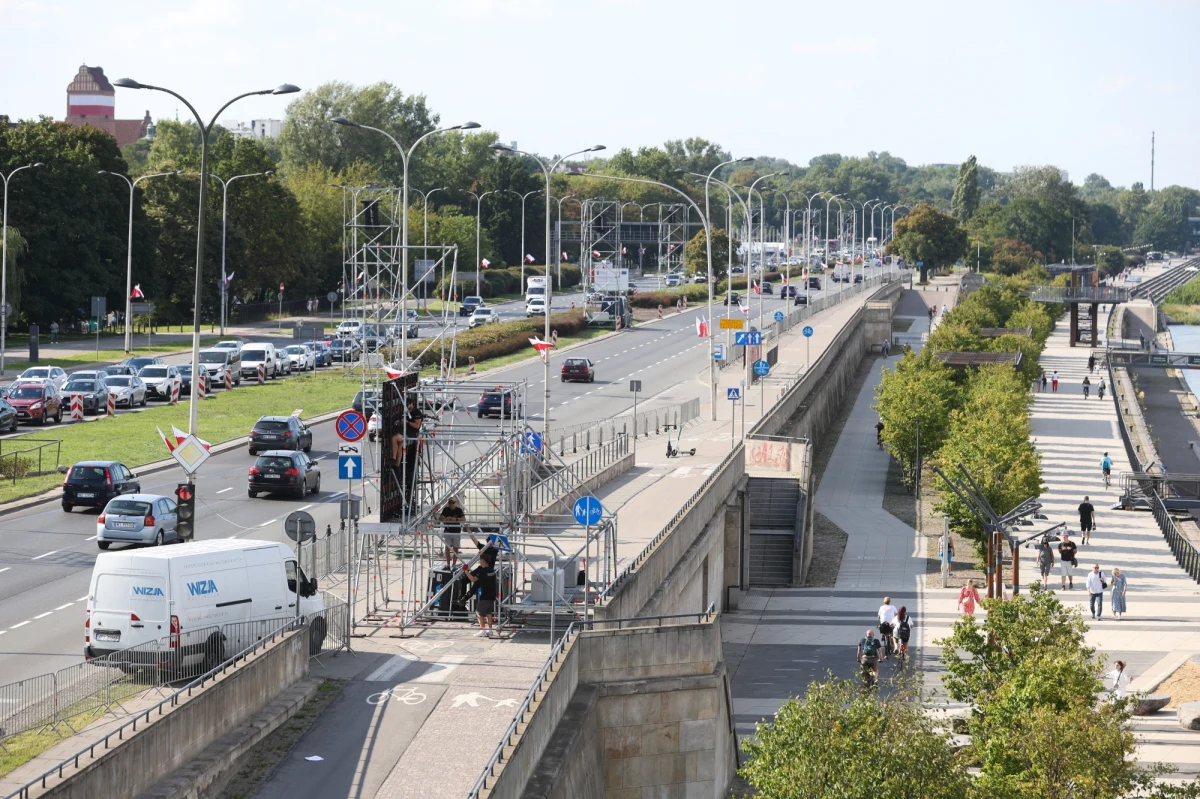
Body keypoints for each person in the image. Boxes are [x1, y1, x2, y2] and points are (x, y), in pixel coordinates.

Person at [465, 550, 499, 637]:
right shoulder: (491, 570)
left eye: (480, 560)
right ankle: (490, 630)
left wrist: (466, 571)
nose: (479, 561)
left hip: (485, 596)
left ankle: (482, 630)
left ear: (483, 561)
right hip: (492, 595)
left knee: (479, 613)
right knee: (488, 613)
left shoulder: (482, 571)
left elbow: (473, 580)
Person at [438, 497, 467, 567]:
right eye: (450, 502)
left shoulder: (459, 510)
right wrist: (446, 518)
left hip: (456, 531)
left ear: (455, 503)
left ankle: (454, 564)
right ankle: (448, 564)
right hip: (448, 531)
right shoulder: (446, 509)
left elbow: (464, 519)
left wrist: (456, 519)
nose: (451, 504)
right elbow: (440, 518)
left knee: (455, 549)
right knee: (447, 549)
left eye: (452, 502)